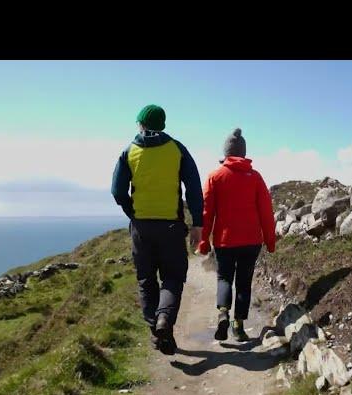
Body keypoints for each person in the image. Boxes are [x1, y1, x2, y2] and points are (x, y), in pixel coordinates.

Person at [111, 105, 203, 355]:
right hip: (172, 227)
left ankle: (157, 329)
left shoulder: (129, 151)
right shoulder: (177, 149)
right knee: (173, 277)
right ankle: (165, 321)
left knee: (146, 280)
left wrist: (133, 212)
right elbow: (194, 187)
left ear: (140, 124)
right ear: (162, 124)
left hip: (141, 228)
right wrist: (197, 224)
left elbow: (118, 191)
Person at [198, 128, 276, 341]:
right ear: (243, 153)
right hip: (251, 241)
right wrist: (270, 240)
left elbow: (207, 212)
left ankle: (223, 312)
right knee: (244, 283)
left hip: (225, 241)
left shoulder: (215, 176)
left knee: (224, 278)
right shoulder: (256, 177)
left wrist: (204, 240)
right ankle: (238, 326)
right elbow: (266, 212)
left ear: (226, 153)